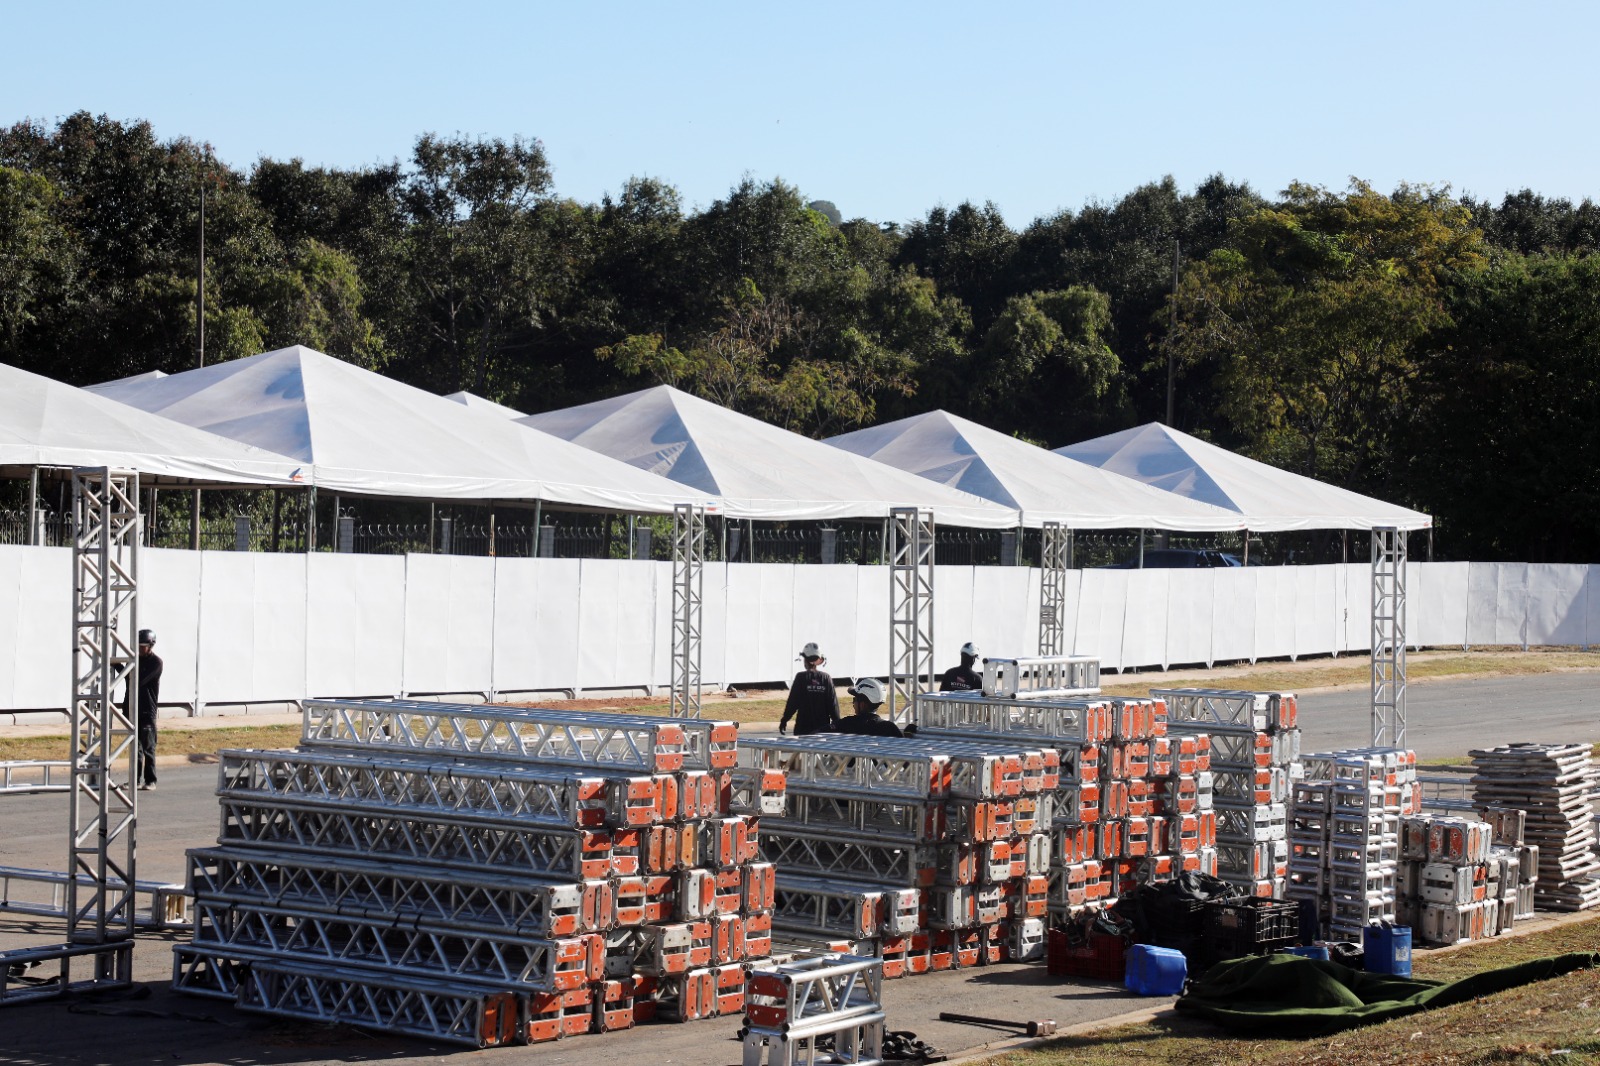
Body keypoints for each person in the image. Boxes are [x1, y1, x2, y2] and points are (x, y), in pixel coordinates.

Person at [779, 642, 840, 736]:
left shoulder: (801, 677)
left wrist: (785, 720)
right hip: (822, 730)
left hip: (803, 729)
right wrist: (838, 724)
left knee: (802, 750)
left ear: (806, 660)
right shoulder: (826, 678)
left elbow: (792, 703)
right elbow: (833, 706)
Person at [131, 628, 163, 790]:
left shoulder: (156, 663)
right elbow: (128, 677)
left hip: (147, 710)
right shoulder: (135, 660)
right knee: (135, 748)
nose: (140, 648)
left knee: (148, 747)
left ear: (150, 646)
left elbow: (139, 680)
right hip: (133, 709)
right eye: (138, 645)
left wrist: (128, 667)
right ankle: (135, 779)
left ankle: (150, 780)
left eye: (143, 645)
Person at [835, 677, 903, 737]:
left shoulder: (845, 724)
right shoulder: (890, 728)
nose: (853, 703)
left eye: (854, 699)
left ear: (862, 704)